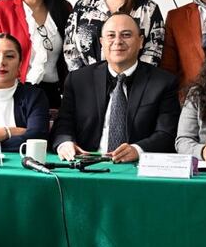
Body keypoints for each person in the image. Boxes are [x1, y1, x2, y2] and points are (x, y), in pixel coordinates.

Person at [52, 13, 179, 163]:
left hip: (136, 169)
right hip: (87, 165)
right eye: (111, 36)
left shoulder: (163, 82)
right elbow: (63, 124)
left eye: (126, 35)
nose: (118, 41)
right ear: (101, 42)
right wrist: (65, 144)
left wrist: (138, 150)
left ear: (140, 42)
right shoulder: (78, 80)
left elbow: (166, 133)